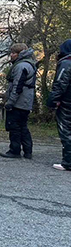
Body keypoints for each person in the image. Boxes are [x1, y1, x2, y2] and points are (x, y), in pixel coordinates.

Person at [1, 43, 36, 159]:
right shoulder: (29, 64)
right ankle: (28, 151)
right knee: (23, 126)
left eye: (13, 53)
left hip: (19, 102)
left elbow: (17, 86)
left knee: (15, 127)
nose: (11, 55)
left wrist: (10, 102)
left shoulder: (21, 66)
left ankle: (14, 150)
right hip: (26, 101)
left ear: (19, 54)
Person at [48, 39, 71, 171]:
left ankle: (67, 161)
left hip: (67, 102)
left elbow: (60, 84)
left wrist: (52, 101)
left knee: (66, 130)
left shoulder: (66, 64)